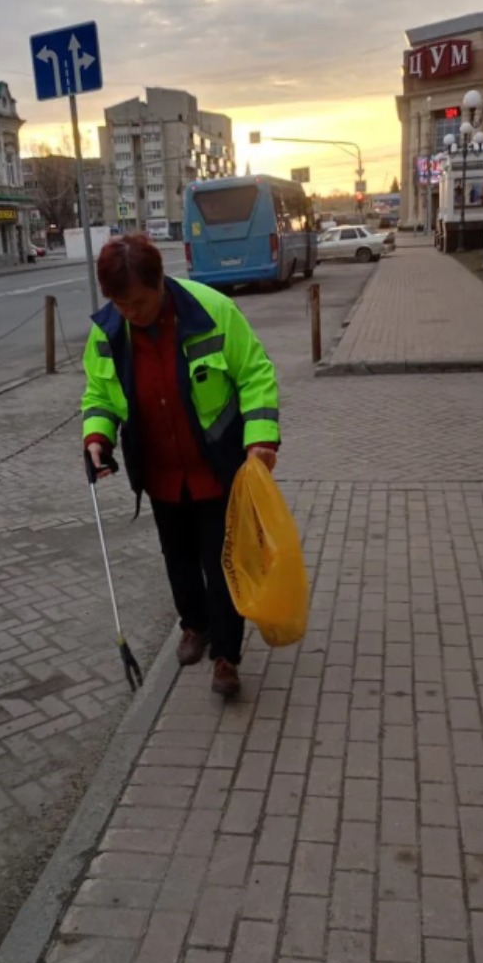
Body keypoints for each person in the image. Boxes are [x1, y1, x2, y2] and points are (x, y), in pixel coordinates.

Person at [80, 234, 281, 699]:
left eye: (138, 302)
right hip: (160, 471)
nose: (130, 313)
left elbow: (256, 374)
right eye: (119, 304)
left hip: (216, 466)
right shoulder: (108, 330)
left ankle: (226, 655)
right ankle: (194, 625)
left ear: (160, 284)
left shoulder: (212, 311)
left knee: (223, 563)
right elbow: (98, 392)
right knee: (179, 559)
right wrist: (97, 437)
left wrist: (260, 439)